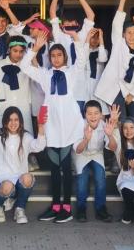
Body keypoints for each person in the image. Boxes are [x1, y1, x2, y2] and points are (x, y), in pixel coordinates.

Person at [22, 27, 88, 223]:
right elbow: (25, 67)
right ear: (49, 58)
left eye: (59, 55)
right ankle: (55, 205)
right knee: (54, 169)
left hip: (68, 125)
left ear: (64, 57)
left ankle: (66, 207)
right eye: (53, 55)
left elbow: (82, 60)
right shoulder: (45, 74)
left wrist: (76, 39)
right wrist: (36, 49)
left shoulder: (71, 73)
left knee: (66, 168)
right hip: (51, 125)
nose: (56, 58)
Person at [0, 86, 47, 225]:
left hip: (19, 180)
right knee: (7, 186)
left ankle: (20, 209)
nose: (13, 123)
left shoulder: (26, 137)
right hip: (3, 181)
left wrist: (40, 128)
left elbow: (39, 146)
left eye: (16, 120)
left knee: (28, 178)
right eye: (10, 120)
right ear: (5, 122)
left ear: (20, 122)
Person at [94, 0, 134, 121]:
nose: (131, 36)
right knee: (119, 121)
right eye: (129, 33)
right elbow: (117, 25)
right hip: (115, 89)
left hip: (132, 90)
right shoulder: (118, 44)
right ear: (124, 34)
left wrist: (132, 94)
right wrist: (122, 1)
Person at [74, 101, 119, 222]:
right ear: (85, 115)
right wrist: (86, 140)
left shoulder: (104, 125)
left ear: (101, 114)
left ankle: (101, 209)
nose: (93, 116)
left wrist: (110, 135)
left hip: (97, 154)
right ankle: (81, 209)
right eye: (89, 113)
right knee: (82, 181)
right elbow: (78, 150)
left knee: (100, 178)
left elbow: (114, 148)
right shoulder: (79, 126)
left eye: (96, 113)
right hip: (81, 154)